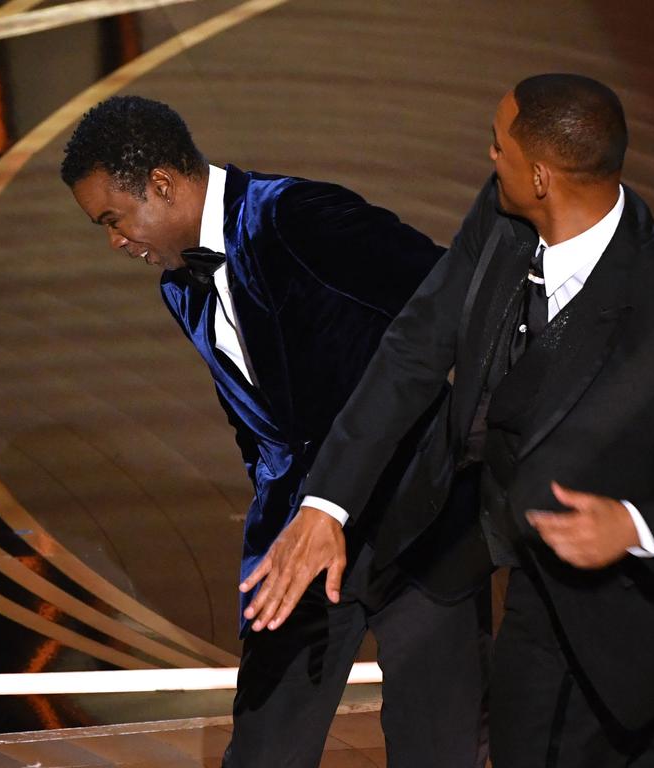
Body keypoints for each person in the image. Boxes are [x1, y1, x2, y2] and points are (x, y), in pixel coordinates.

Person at [243, 74, 654, 766]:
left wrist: (635, 526)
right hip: (520, 568)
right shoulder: (504, 216)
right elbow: (414, 350)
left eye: (497, 145)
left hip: (624, 607)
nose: (487, 154)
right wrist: (326, 505)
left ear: (540, 177)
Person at [60, 95, 490, 768]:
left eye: (113, 219)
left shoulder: (297, 218)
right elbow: (253, 422)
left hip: (419, 521)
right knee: (265, 750)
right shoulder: (181, 288)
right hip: (296, 541)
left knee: (439, 748)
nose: (115, 240)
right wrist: (278, 501)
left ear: (163, 186)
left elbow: (450, 297)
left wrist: (467, 442)